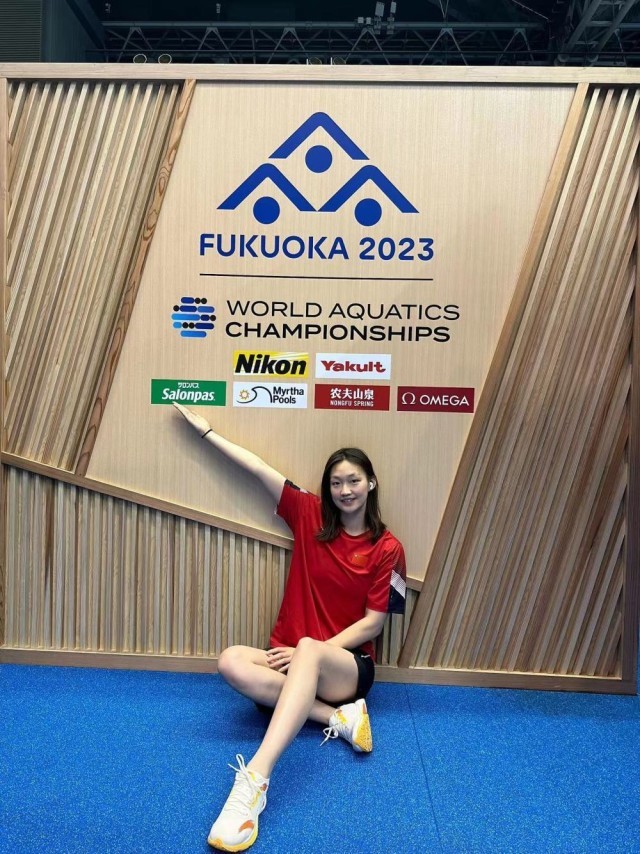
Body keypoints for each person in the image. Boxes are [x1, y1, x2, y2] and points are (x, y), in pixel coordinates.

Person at [173, 402, 406, 852]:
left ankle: (254, 781)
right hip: (293, 659)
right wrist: (207, 433)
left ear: (371, 483)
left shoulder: (388, 548)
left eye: (354, 480)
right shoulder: (309, 514)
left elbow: (373, 623)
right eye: (336, 482)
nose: (345, 490)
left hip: (346, 666)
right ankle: (336, 718)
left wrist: (310, 650)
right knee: (231, 661)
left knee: (309, 647)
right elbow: (258, 468)